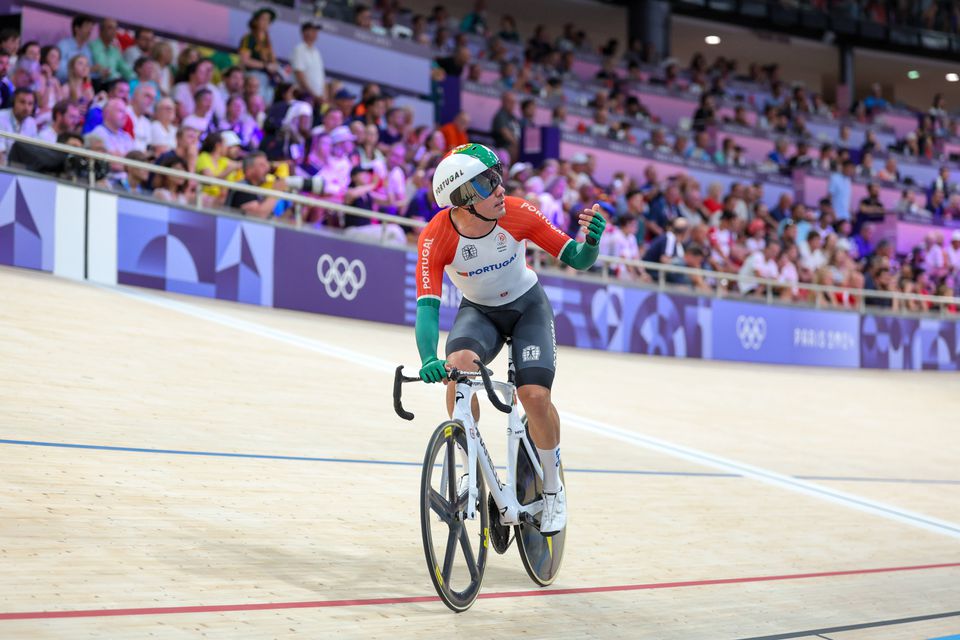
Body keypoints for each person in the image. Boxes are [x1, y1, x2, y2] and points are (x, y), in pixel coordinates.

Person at [416, 143, 607, 537]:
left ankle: (553, 491)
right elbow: (428, 308)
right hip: (479, 312)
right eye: (489, 182)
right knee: (457, 371)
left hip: (527, 308)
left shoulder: (518, 213)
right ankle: (469, 469)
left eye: (498, 176)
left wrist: (591, 243)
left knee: (534, 396)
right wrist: (427, 358)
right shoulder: (436, 238)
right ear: (464, 199)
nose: (501, 188)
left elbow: (575, 258)